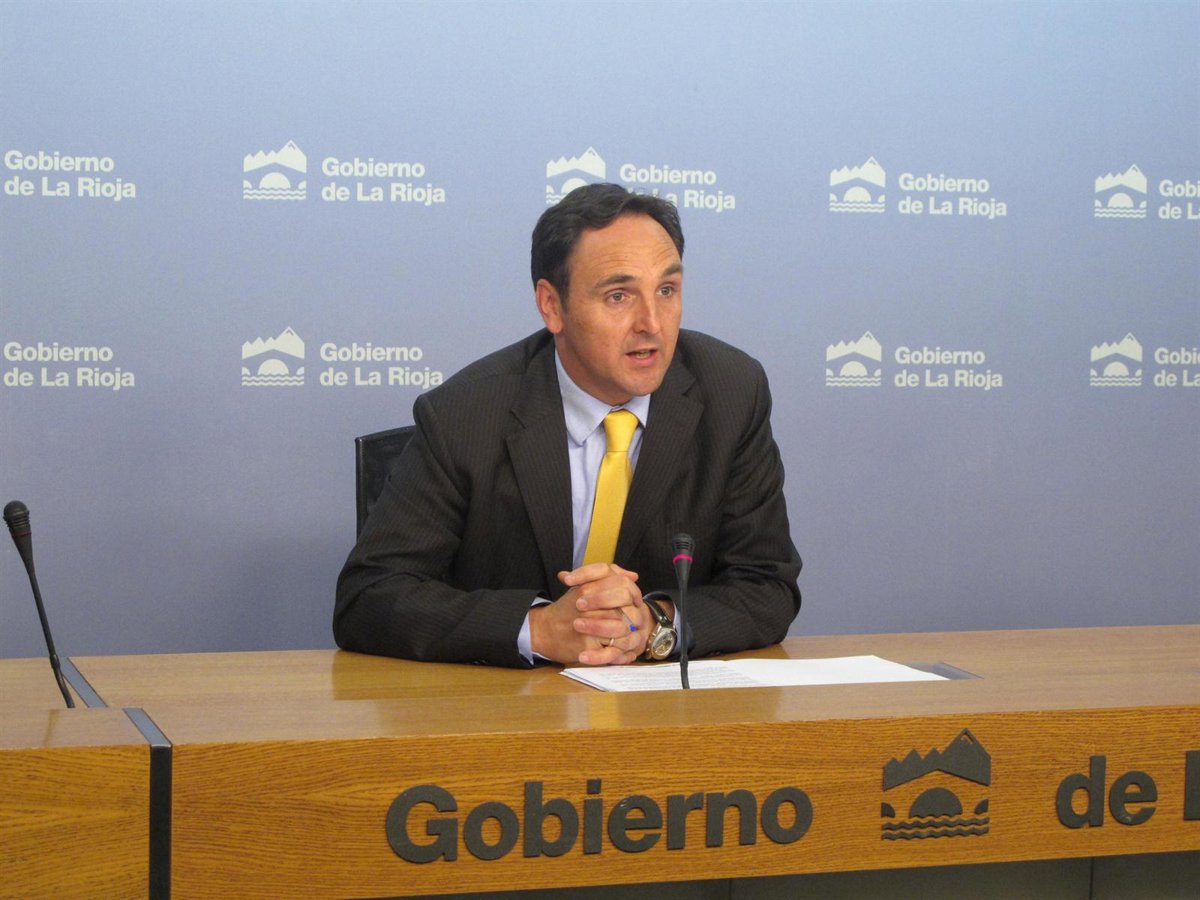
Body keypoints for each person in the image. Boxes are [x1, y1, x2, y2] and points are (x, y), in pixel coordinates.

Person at [335, 183, 800, 668]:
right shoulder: (464, 414)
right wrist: (539, 629)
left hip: (659, 705)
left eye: (666, 290)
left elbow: (767, 584)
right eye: (618, 296)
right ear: (552, 306)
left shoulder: (731, 392)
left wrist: (655, 625)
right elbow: (369, 597)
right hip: (504, 704)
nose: (652, 323)